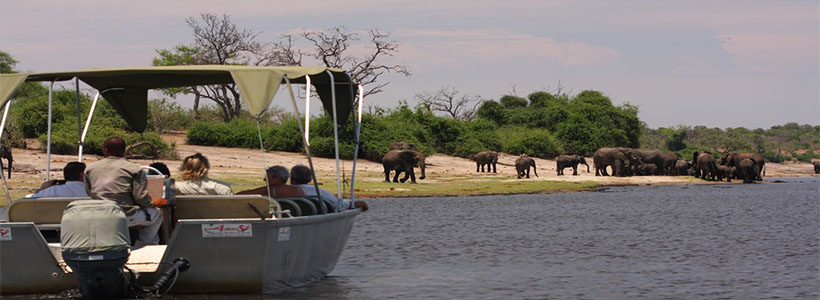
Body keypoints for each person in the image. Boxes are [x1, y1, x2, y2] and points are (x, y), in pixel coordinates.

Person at [84, 137, 163, 248]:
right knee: (157, 215)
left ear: (105, 149)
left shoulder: (90, 168)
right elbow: (140, 197)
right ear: (124, 150)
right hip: (125, 215)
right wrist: (153, 203)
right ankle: (140, 247)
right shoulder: (134, 168)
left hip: (100, 213)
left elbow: (89, 192)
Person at [290, 164, 368, 211]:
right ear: (310, 179)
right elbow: (341, 205)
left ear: (291, 179)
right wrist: (360, 204)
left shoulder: (281, 192)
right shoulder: (320, 193)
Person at [238, 165, 304, 198]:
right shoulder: (298, 190)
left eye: (267, 177)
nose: (264, 180)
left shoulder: (270, 190)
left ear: (277, 178)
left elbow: (241, 195)